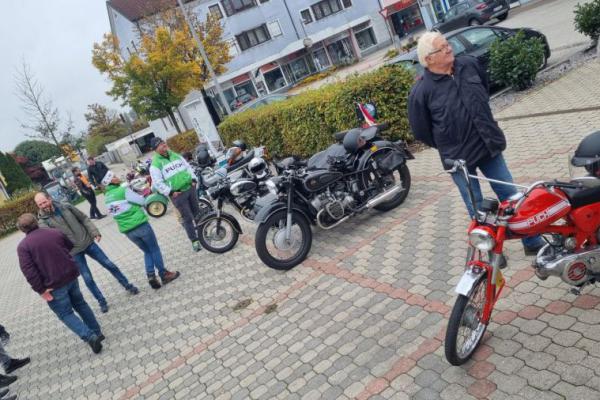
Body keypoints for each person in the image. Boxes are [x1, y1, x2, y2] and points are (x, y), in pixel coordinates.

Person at [407, 31, 545, 255]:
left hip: (488, 145)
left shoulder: (469, 65)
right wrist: (450, 143)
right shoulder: (421, 92)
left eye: (447, 44)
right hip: (459, 160)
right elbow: (422, 132)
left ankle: (532, 242)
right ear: (429, 59)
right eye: (442, 48)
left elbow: (484, 91)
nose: (449, 49)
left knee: (512, 197)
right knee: (478, 208)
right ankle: (491, 253)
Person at [35, 192, 139, 314]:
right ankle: (101, 301)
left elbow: (83, 218)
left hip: (88, 243)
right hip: (73, 252)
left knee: (109, 264)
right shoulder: (42, 222)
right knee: (88, 279)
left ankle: (128, 285)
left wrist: (94, 232)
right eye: (40, 204)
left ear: (49, 198)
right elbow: (51, 240)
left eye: (44, 202)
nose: (43, 205)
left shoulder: (66, 206)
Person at [16, 214, 104, 354]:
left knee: (65, 314)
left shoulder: (23, 246)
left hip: (53, 286)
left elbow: (29, 271)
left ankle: (90, 337)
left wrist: (41, 290)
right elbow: (69, 246)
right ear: (36, 222)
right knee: (81, 304)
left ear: (21, 229)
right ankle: (97, 332)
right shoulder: (55, 232)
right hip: (70, 276)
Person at [102, 171, 180, 289]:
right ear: (110, 181)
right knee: (154, 249)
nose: (117, 177)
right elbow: (142, 201)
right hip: (140, 225)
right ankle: (164, 274)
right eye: (114, 177)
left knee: (147, 251)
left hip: (128, 231)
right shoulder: (123, 191)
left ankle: (150, 276)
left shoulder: (107, 198)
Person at [149, 137, 202, 252]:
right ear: (155, 149)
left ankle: (203, 232)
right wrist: (170, 192)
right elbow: (158, 183)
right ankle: (195, 241)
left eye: (163, 143)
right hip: (178, 195)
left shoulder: (174, 154)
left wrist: (193, 179)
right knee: (187, 218)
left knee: (197, 212)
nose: (164, 145)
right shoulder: (155, 164)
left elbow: (187, 167)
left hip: (190, 188)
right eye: (160, 144)